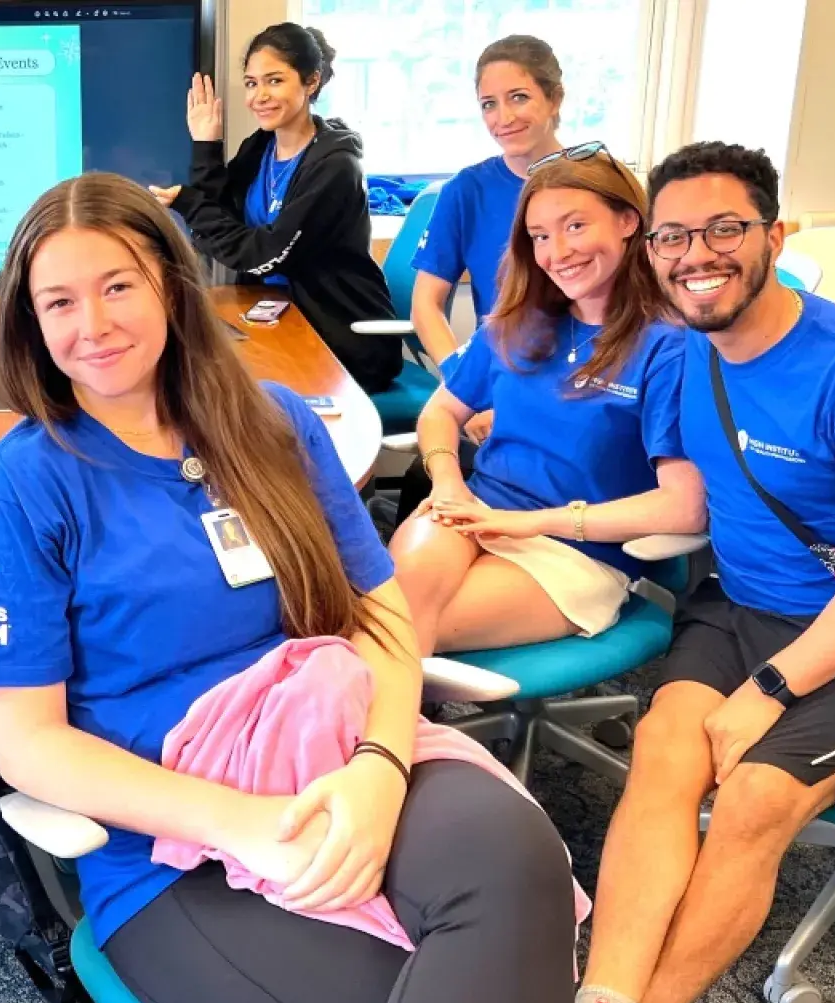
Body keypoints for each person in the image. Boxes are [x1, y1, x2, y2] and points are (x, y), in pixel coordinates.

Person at [0, 171, 578, 1003]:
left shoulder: (271, 423)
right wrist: (241, 823)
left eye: (118, 285)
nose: (94, 324)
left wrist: (380, 769)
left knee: (516, 865)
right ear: (30, 324)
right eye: (60, 301)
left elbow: (379, 612)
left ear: (167, 280)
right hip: (176, 847)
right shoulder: (19, 491)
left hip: (339, 749)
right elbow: (27, 746)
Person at [574, 143, 835, 1003]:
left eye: (724, 229)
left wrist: (768, 692)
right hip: (742, 606)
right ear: (650, 249)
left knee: (750, 799)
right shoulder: (683, 354)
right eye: (673, 235)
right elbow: (688, 500)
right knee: (664, 752)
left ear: (774, 236)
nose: (696, 253)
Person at [389, 147, 702, 657]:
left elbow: (685, 507)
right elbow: (441, 411)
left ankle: (381, 734)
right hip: (477, 509)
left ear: (628, 221)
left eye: (575, 226)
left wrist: (533, 523)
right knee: (386, 616)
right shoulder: (519, 321)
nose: (557, 252)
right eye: (539, 236)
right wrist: (448, 483)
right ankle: (397, 733)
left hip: (579, 548)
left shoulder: (668, 345)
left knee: (389, 629)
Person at [148, 23, 402, 394]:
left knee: (222, 394)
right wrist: (206, 144)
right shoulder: (261, 146)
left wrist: (189, 204)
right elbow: (219, 220)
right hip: (283, 319)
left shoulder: (335, 168)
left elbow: (264, 254)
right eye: (252, 83)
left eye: (274, 80)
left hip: (342, 336)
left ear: (311, 81)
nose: (259, 96)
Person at [409, 34, 568, 450]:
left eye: (519, 97)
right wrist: (466, 384)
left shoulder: (600, 185)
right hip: (494, 381)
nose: (503, 118)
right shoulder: (467, 190)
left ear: (554, 99)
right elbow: (426, 304)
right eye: (488, 104)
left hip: (579, 387)